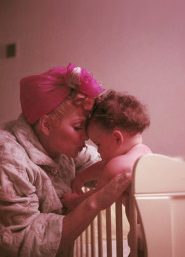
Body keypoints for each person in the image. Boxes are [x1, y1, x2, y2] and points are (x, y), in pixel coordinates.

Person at [0, 64, 131, 257]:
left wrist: (137, 155)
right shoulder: (3, 160)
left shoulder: (65, 147)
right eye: (79, 127)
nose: (87, 136)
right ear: (46, 124)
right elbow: (22, 243)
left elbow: (110, 163)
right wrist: (94, 202)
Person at [62, 90, 151, 255]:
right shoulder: (144, 153)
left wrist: (73, 202)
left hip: (144, 234)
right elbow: (104, 165)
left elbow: (96, 197)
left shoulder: (117, 166)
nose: (98, 150)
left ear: (117, 138)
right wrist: (81, 177)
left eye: (98, 144)